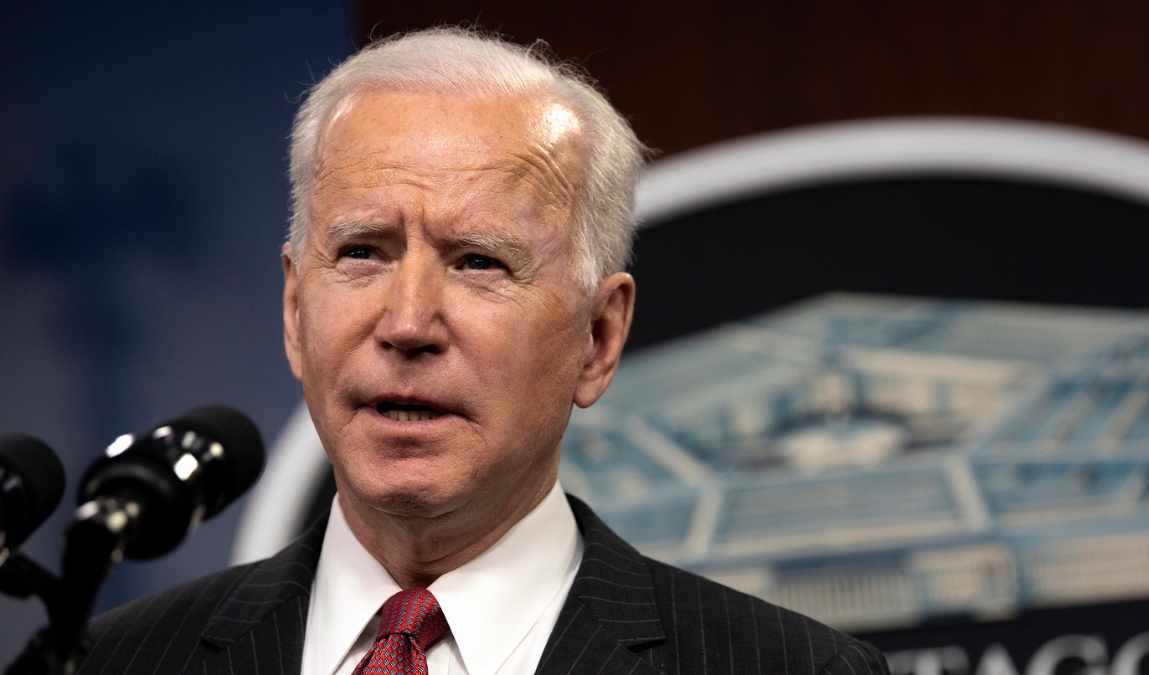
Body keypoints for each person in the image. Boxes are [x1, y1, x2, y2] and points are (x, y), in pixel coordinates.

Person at [78, 28, 891, 675]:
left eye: (479, 262)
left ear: (598, 338)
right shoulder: (112, 663)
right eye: (363, 251)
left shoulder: (790, 667)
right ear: (295, 309)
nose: (406, 322)